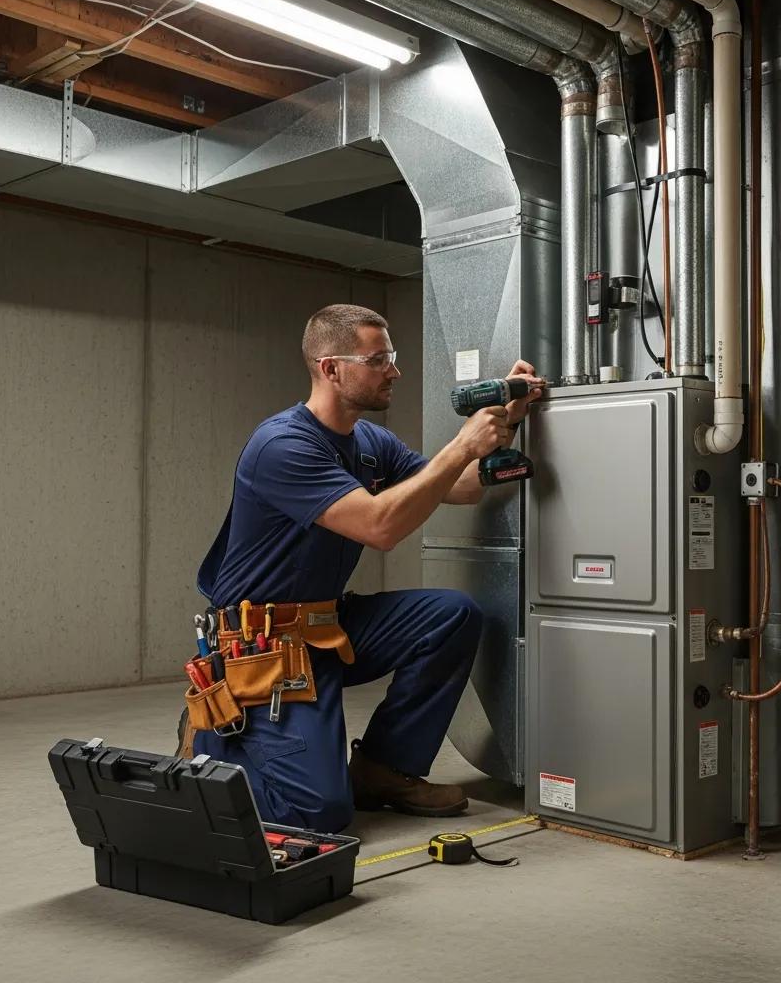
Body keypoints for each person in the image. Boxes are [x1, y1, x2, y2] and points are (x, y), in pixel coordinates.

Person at [182, 303, 543, 832]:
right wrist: (463, 443)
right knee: (317, 812)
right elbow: (380, 528)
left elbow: (458, 487)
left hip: (329, 627)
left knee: (450, 615)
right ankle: (210, 748)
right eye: (379, 359)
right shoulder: (283, 445)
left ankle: (383, 770)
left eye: (391, 357)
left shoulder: (371, 444)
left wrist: (505, 420)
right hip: (262, 649)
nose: (393, 370)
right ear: (331, 368)